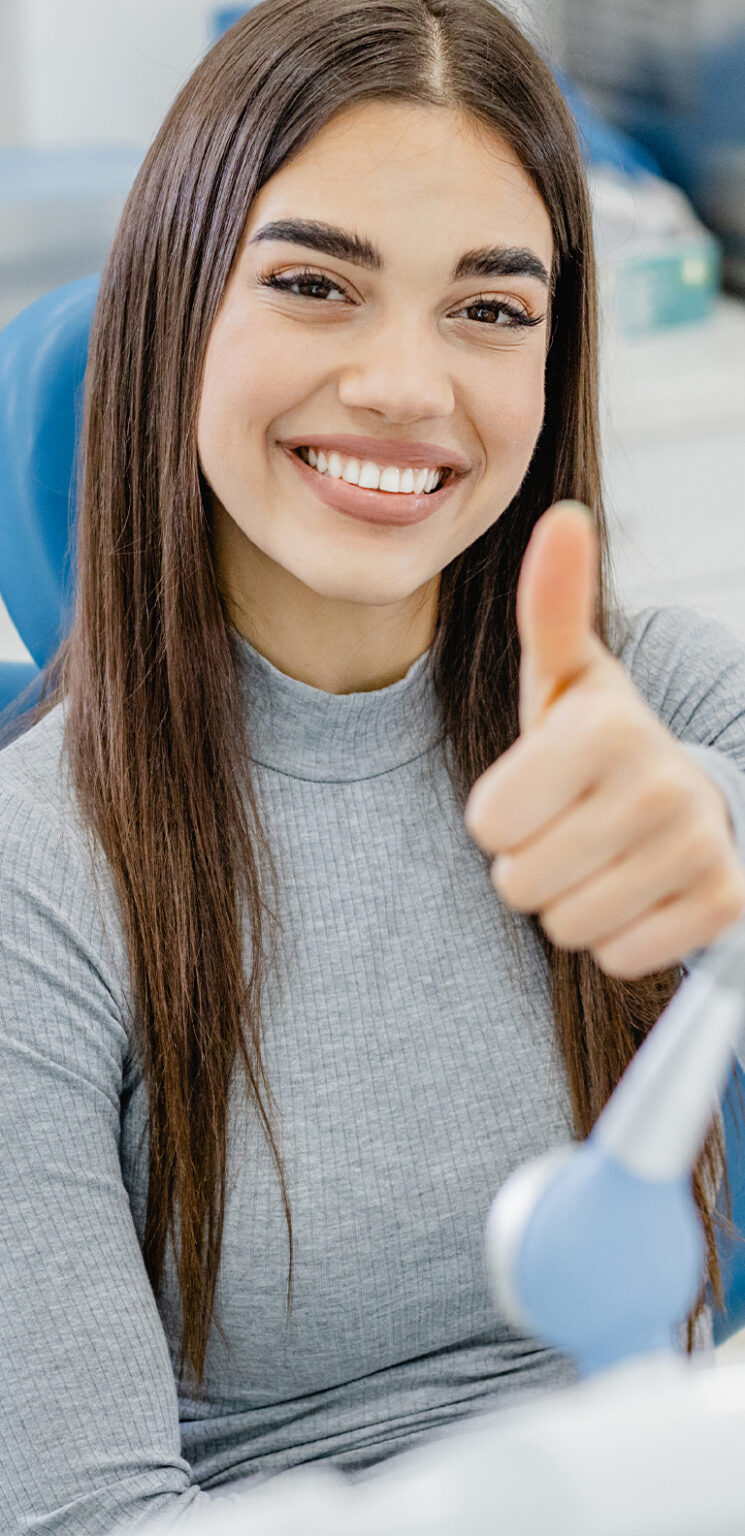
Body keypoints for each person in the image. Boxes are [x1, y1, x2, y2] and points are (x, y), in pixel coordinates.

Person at [2, 0, 745, 1531]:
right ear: (170, 307)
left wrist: (719, 868)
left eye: (490, 310)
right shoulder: (39, 880)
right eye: (312, 283)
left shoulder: (660, 699)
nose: (407, 385)